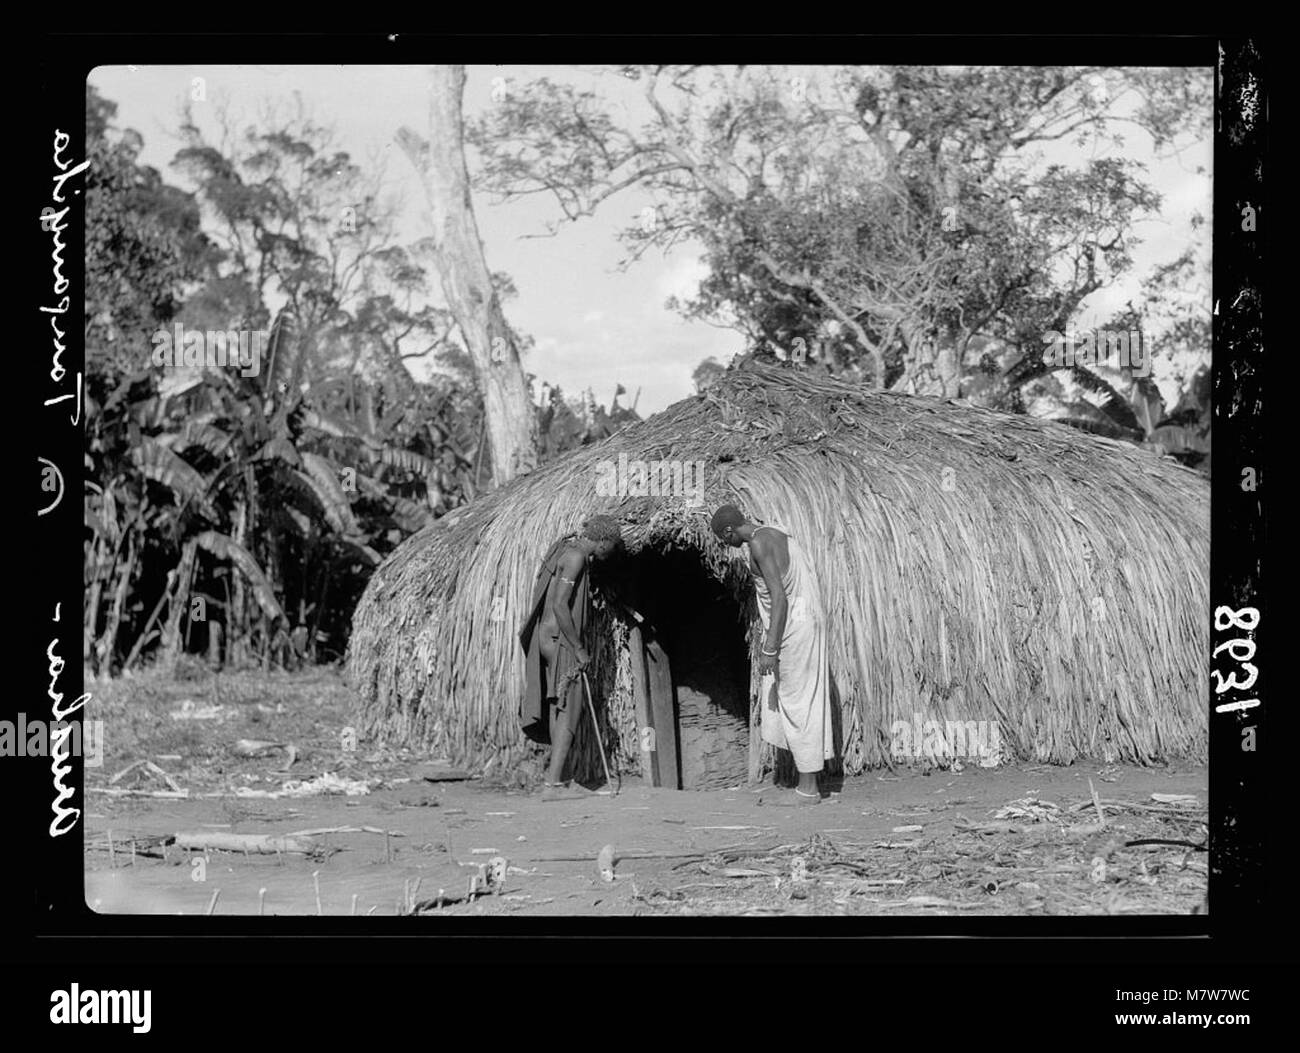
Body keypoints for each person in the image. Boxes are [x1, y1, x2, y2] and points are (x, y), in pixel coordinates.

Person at [711, 504, 832, 804]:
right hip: (808, 624)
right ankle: (805, 781)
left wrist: (770, 648)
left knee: (797, 703)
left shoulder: (759, 544)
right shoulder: (776, 532)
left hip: (793, 631)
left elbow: (779, 598)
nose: (726, 545)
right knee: (798, 700)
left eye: (723, 539)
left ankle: (808, 790)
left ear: (728, 531)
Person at [518, 515, 623, 799]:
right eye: (610, 548)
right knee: (571, 709)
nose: (608, 554)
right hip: (561, 641)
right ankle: (552, 786)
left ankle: (560, 779)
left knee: (559, 706)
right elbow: (560, 605)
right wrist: (578, 647)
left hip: (547, 638)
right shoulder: (577, 557)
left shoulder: (566, 549)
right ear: (602, 541)